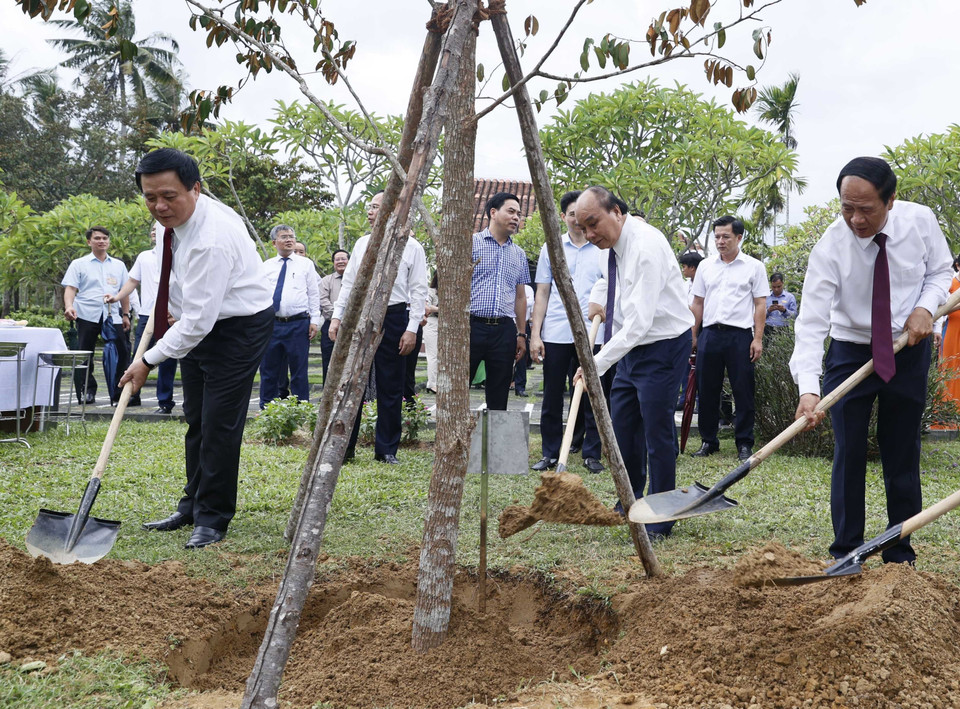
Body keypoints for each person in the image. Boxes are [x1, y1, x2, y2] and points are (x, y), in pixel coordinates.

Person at [791, 156, 952, 566]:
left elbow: (940, 272)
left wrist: (925, 307)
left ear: (891, 200)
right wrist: (808, 388)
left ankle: (900, 551)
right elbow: (810, 322)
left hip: (907, 348)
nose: (856, 220)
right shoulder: (831, 245)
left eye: (866, 209)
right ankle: (846, 552)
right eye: (847, 208)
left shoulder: (920, 221)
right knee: (848, 452)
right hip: (851, 351)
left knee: (902, 452)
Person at [120, 148, 274, 550]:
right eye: (150, 197)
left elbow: (199, 323)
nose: (159, 206)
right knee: (197, 419)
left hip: (239, 326)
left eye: (169, 196)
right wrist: (170, 311)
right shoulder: (174, 222)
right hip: (198, 318)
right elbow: (177, 282)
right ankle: (191, 504)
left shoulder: (212, 239)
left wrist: (147, 360)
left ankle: (212, 517)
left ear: (196, 189)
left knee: (220, 422)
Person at [574, 186, 694, 539]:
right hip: (628, 344)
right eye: (584, 229)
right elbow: (607, 282)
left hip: (662, 345)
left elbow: (641, 323)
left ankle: (661, 513)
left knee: (656, 430)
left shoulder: (644, 247)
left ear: (616, 212)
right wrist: (598, 300)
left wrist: (596, 363)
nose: (591, 234)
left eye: (594, 224)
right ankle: (629, 498)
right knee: (623, 424)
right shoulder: (606, 247)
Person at [330, 191, 428, 464]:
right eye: (370, 207)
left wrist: (410, 329)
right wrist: (338, 317)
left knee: (391, 385)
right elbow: (349, 284)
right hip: (360, 315)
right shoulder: (362, 244)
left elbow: (418, 292)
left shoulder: (413, 247)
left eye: (376, 207)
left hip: (395, 317)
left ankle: (386, 449)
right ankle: (344, 447)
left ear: (393, 210)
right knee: (351, 383)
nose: (370, 212)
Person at [529, 190, 607, 474]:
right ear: (563, 216)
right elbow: (542, 294)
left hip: (592, 334)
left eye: (583, 215)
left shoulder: (601, 246)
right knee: (551, 394)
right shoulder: (552, 247)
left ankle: (591, 453)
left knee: (593, 395)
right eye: (572, 214)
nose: (577, 220)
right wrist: (535, 334)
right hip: (557, 331)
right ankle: (550, 453)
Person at [690, 216, 769, 461]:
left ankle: (744, 443)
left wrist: (757, 339)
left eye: (725, 236)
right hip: (710, 335)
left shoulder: (754, 266)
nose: (720, 241)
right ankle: (708, 440)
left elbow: (760, 304)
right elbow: (698, 302)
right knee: (707, 389)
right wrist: (694, 335)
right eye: (717, 236)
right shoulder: (705, 266)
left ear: (739, 237)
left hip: (739, 336)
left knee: (743, 390)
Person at [107, 222, 178, 413]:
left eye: (159, 229)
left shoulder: (177, 254)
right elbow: (132, 281)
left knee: (168, 358)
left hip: (172, 314)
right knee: (138, 355)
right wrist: (117, 297)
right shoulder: (144, 256)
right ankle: (132, 395)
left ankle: (165, 402)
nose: (155, 232)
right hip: (148, 314)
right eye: (153, 230)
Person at [469, 192, 529, 410]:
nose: (516, 218)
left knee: (499, 393)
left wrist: (521, 334)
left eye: (519, 214)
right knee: (459, 384)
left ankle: (495, 442)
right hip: (471, 325)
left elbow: (520, 297)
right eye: (511, 211)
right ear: (493, 213)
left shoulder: (519, 254)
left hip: (504, 330)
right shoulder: (470, 244)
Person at [62, 226, 132, 406]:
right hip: (86, 314)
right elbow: (70, 288)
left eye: (105, 238)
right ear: (89, 242)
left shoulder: (119, 265)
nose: (102, 241)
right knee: (85, 353)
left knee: (121, 352)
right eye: (97, 238)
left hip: (112, 316)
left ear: (109, 241)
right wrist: (69, 307)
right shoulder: (79, 264)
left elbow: (125, 291)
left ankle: (118, 392)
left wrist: (125, 314)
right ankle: (87, 391)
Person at [259, 224, 320, 408]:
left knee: (299, 370)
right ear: (274, 242)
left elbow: (313, 294)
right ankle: (266, 409)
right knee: (269, 370)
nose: (289, 240)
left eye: (291, 236)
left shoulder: (306, 264)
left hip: (298, 323)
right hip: (272, 325)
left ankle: (302, 409)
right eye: (284, 237)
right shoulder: (266, 266)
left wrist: (315, 320)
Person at [318, 249, 349, 384]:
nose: (340, 261)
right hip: (330, 325)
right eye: (337, 259)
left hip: (352, 327)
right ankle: (328, 395)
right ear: (333, 263)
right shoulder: (326, 280)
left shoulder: (357, 279)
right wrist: (338, 316)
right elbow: (323, 301)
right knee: (329, 361)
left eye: (343, 259)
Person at [512, 281, 534, 397]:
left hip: (523, 325)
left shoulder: (529, 289)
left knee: (522, 356)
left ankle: (520, 386)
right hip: (509, 323)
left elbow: (532, 308)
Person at [423, 271, 439, 393]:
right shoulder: (431, 291)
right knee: (432, 354)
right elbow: (427, 307)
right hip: (432, 322)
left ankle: (436, 382)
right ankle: (432, 383)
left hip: (445, 323)